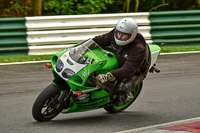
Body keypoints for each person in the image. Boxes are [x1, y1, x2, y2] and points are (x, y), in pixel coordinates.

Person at [93, 18, 151, 105]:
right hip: (119, 55)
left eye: (124, 36)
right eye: (119, 33)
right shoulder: (114, 34)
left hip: (135, 70)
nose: (120, 37)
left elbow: (128, 70)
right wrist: (80, 47)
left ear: (132, 35)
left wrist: (107, 76)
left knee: (121, 89)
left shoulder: (139, 48)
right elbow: (99, 40)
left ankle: (126, 96)